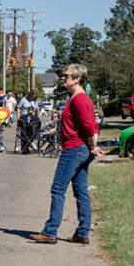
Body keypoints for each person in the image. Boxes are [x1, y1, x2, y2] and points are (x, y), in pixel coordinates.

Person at [30, 64, 106, 245]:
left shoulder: (79, 99)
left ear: (77, 78)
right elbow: (91, 124)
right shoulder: (79, 98)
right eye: (63, 76)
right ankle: (82, 233)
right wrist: (91, 145)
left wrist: (93, 144)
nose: (63, 78)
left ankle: (50, 231)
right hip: (80, 148)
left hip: (74, 149)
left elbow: (89, 125)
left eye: (67, 76)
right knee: (81, 191)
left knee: (58, 188)